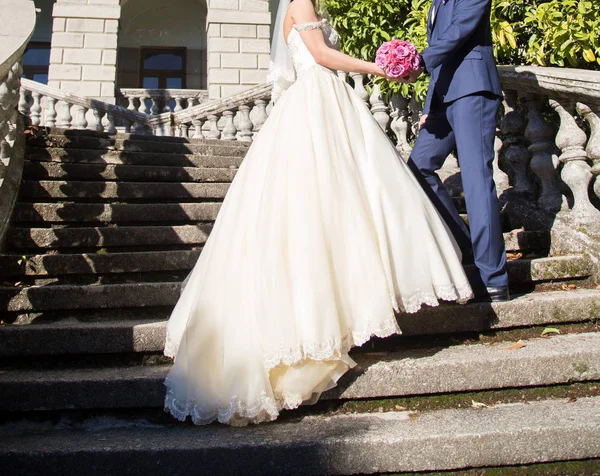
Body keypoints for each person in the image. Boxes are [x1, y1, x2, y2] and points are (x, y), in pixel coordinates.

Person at [162, 0, 473, 427]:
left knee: (348, 201)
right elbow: (322, 55)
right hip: (315, 103)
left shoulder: (310, 3)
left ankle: (341, 310)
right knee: (316, 203)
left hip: (328, 101)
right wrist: (381, 67)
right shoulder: (299, 2)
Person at [401, 0, 510, 302]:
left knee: (475, 179)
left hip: (472, 90)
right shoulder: (435, 4)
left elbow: (460, 30)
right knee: (419, 167)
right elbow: (442, 54)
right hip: (443, 99)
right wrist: (428, 106)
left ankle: (494, 278)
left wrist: (418, 62)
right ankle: (467, 251)